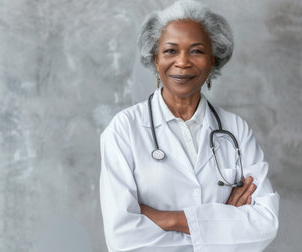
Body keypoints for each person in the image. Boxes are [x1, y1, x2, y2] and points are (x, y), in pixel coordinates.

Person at [99, 1, 279, 251]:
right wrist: (220, 220)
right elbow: (124, 239)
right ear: (154, 57)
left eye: (196, 51)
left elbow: (265, 224)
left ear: (213, 59)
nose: (183, 62)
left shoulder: (235, 129)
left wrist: (171, 219)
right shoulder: (124, 130)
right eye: (170, 51)